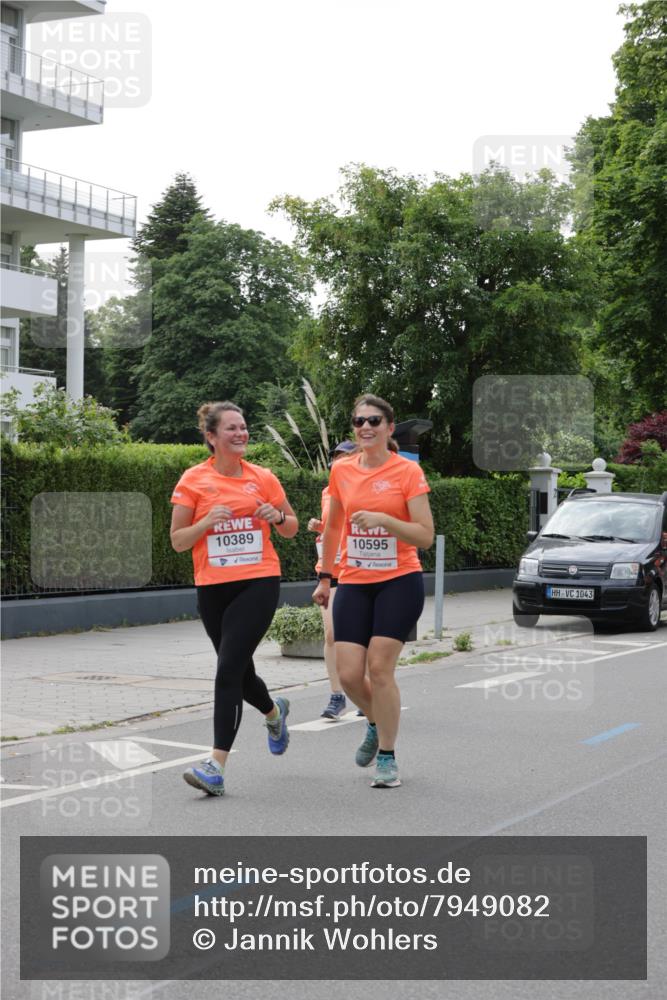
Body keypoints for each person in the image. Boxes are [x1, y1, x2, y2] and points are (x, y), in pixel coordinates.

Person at [170, 401, 298, 797]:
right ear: (211, 437)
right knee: (239, 673)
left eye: (243, 427)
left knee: (227, 670)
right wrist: (206, 522)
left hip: (258, 581)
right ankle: (274, 713)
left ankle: (216, 766)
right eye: (231, 428)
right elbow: (177, 542)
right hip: (212, 587)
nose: (241, 434)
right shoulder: (193, 480)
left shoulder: (263, 477)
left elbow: (292, 528)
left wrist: (276, 517)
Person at [313, 394, 434, 788]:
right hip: (354, 580)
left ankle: (387, 755)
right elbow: (333, 528)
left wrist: (384, 519)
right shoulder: (343, 472)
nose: (365, 427)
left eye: (374, 421)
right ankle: (374, 721)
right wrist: (325, 577)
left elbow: (425, 536)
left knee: (380, 669)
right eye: (359, 421)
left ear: (388, 426)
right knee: (349, 676)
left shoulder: (407, 473)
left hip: (399, 580)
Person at [307, 440, 357, 719]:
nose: (338, 462)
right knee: (331, 633)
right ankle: (336, 695)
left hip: (358, 570)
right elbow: (332, 526)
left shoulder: (364, 488)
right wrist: (319, 526)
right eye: (335, 458)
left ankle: (364, 690)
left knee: (359, 635)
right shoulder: (327, 492)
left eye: (344, 457)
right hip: (331, 571)